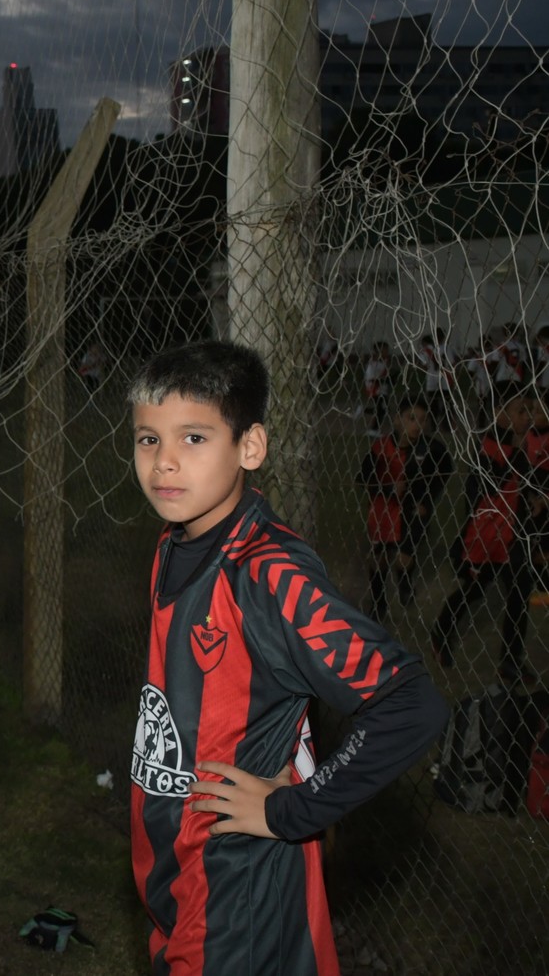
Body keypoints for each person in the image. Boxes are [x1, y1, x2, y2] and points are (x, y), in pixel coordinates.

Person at [127, 339, 447, 976]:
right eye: (146, 439)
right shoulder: (174, 542)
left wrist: (291, 809)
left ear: (250, 447)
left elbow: (411, 703)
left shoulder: (268, 574)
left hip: (236, 893)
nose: (164, 462)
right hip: (177, 876)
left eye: (193, 439)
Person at [432, 385, 536, 679]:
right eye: (521, 411)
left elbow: (518, 489)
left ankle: (510, 658)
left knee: (519, 593)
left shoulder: (516, 446)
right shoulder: (488, 448)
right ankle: (441, 631)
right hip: (485, 540)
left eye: (530, 410)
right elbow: (488, 488)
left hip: (510, 538)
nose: (528, 417)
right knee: (473, 591)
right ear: (498, 413)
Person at [358, 394, 453, 620]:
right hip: (384, 510)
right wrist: (388, 489)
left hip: (412, 512)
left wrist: (426, 501)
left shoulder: (432, 449)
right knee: (379, 559)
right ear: (397, 420)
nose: (418, 425)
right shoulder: (380, 447)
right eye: (412, 418)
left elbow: (446, 470)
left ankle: (405, 583)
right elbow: (363, 477)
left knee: (403, 558)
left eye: (423, 420)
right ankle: (378, 602)